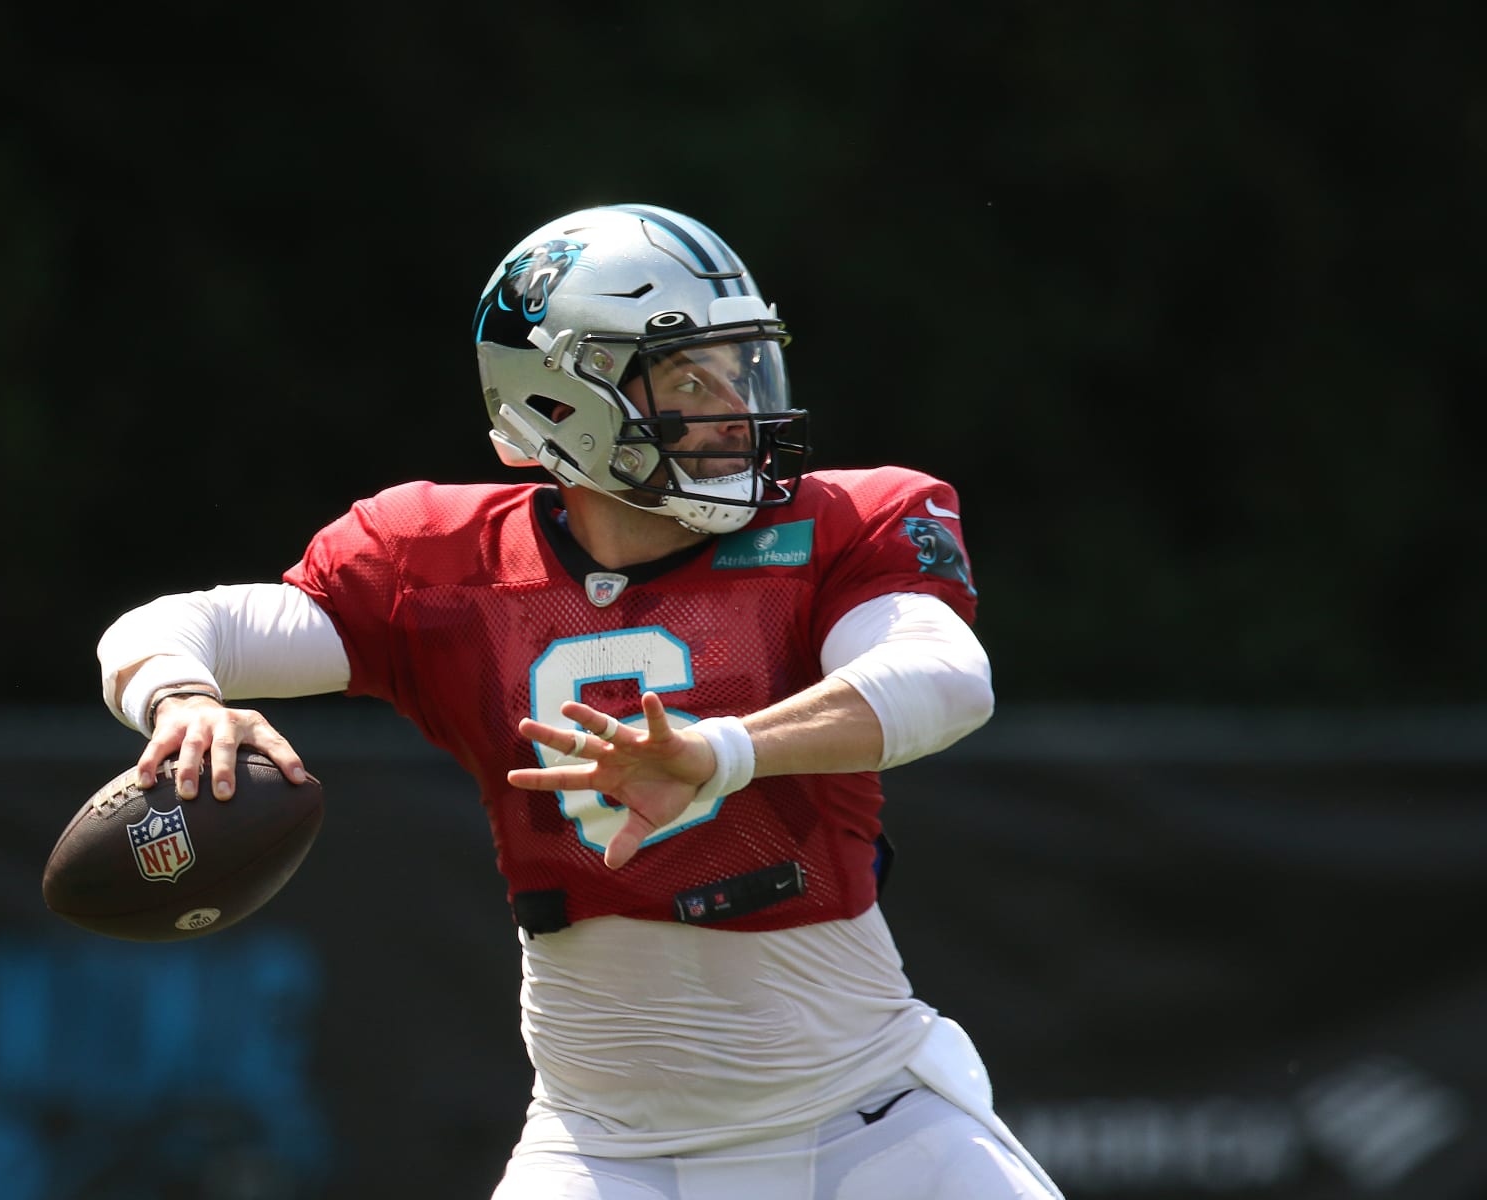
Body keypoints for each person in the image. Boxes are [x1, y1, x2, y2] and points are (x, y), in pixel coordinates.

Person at [96, 203, 1064, 1200]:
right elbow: (173, 626)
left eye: (743, 367)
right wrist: (181, 702)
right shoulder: (439, 564)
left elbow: (947, 678)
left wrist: (723, 752)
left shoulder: (844, 524)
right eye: (689, 377)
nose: (734, 407)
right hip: (602, 1149)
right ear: (562, 401)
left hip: (862, 1119)